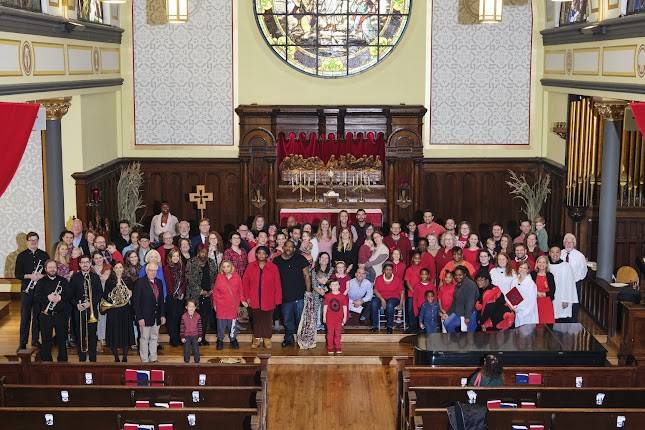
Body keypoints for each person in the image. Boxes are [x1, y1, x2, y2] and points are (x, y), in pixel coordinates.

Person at [242, 246, 282, 349]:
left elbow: (277, 284)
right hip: (254, 298)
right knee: (256, 320)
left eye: (263, 253)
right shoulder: (250, 266)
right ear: (256, 254)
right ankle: (256, 338)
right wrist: (246, 297)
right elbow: (245, 283)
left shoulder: (273, 267)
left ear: (267, 255)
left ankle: (267, 338)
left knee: (268, 320)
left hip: (269, 298)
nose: (261, 255)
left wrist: (278, 298)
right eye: (259, 253)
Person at [274, 241, 312, 347]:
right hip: (284, 296)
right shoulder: (276, 261)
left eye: (291, 247)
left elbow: (306, 275)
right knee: (287, 320)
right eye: (287, 246)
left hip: (299, 295)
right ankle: (289, 339)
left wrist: (308, 292)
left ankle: (301, 339)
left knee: (300, 319)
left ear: (294, 249)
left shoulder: (300, 259)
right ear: (283, 246)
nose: (289, 248)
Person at [35, 260, 71, 362]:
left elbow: (69, 295)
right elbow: (37, 298)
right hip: (46, 315)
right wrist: (48, 297)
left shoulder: (63, 281)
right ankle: (47, 362)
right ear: (45, 269)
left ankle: (63, 361)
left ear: (57, 268)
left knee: (62, 340)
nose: (52, 269)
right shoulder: (41, 282)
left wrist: (60, 297)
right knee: (46, 341)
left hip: (60, 315)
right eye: (50, 267)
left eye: (54, 267)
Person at [70, 255, 101, 362]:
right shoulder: (75, 277)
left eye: (87, 262)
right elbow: (70, 295)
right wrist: (76, 304)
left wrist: (90, 303)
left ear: (90, 263)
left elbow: (99, 294)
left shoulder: (95, 277)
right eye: (82, 262)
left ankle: (93, 358)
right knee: (80, 334)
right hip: (79, 310)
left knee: (92, 334)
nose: (85, 264)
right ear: (79, 264)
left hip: (91, 310)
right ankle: (82, 357)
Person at [102, 261, 134, 362]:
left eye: (120, 267)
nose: (119, 269)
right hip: (113, 310)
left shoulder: (128, 280)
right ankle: (116, 356)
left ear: (123, 269)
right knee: (114, 333)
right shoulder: (110, 281)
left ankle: (125, 356)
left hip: (125, 310)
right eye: (117, 267)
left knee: (125, 333)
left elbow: (132, 295)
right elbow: (107, 296)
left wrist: (130, 292)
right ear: (114, 269)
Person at [133, 263, 166, 363]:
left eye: (155, 270)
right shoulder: (140, 282)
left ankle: (153, 358)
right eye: (151, 270)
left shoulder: (159, 282)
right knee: (144, 338)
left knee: (154, 338)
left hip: (156, 316)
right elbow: (136, 302)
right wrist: (139, 317)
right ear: (146, 271)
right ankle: (145, 360)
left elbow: (161, 301)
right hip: (144, 317)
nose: (153, 272)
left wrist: (162, 315)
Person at [185, 245, 217, 345]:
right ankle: (194, 339)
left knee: (205, 318)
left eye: (205, 252)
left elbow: (215, 277)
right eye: (201, 252)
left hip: (208, 295)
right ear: (198, 252)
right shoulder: (191, 262)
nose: (203, 254)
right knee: (194, 319)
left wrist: (211, 290)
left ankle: (202, 338)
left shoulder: (211, 262)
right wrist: (200, 291)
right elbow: (189, 279)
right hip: (195, 295)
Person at [212, 260, 242, 350]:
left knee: (232, 325)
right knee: (220, 325)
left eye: (227, 266)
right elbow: (215, 292)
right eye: (223, 266)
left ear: (231, 266)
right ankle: (220, 340)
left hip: (232, 305)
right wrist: (215, 304)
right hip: (221, 305)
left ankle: (233, 339)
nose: (225, 268)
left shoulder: (237, 277)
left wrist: (243, 300)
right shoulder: (219, 277)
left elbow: (241, 290)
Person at [370, 262, 404, 333]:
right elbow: (375, 290)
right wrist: (382, 299)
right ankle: (375, 326)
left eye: (390, 269)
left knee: (390, 304)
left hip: (394, 298)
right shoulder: (379, 278)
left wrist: (401, 304)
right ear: (383, 270)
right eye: (387, 269)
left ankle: (389, 327)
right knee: (374, 303)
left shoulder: (397, 279)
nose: (388, 271)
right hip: (381, 297)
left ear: (392, 271)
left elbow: (402, 292)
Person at [561, 233, 588, 322]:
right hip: (562, 283)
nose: (568, 244)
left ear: (574, 244)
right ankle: (562, 321)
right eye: (566, 242)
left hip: (575, 283)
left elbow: (584, 271)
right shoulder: (560, 253)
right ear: (564, 243)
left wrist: (577, 280)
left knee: (574, 304)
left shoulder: (580, 256)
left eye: (571, 242)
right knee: (562, 302)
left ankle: (573, 322)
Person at [443, 266, 478, 333]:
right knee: (447, 323)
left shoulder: (470, 284)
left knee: (470, 336)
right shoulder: (458, 284)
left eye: (460, 275)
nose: (457, 277)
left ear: (464, 274)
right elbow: (455, 302)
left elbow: (470, 302)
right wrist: (448, 313)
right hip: (459, 312)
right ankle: (455, 342)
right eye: (456, 275)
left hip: (469, 314)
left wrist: (467, 317)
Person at [548, 246, 579, 322]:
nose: (555, 254)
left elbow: (570, 285)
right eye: (552, 252)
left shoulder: (566, 266)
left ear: (560, 253)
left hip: (562, 299)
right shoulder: (547, 266)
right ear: (549, 253)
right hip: (550, 299)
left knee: (562, 322)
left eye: (557, 252)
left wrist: (567, 299)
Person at [163, 249, 186, 347]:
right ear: (170, 258)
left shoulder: (182, 267)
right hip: (171, 297)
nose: (175, 258)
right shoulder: (167, 268)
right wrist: (175, 294)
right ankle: (173, 339)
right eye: (174, 256)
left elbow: (184, 281)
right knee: (172, 319)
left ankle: (179, 338)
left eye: (177, 256)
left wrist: (182, 292)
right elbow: (168, 284)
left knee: (179, 318)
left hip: (180, 297)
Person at [509, 262, 538, 327]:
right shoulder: (514, 281)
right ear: (518, 269)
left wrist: (522, 310)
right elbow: (512, 297)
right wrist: (515, 308)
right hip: (518, 313)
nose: (522, 269)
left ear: (528, 270)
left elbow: (531, 301)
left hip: (528, 313)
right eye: (520, 267)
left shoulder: (531, 283)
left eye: (524, 268)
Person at [323, 280, 347, 355]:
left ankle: (338, 347)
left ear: (339, 286)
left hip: (339, 319)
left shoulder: (342, 296)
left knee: (338, 334)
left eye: (336, 284)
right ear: (330, 287)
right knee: (330, 334)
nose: (334, 286)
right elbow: (325, 307)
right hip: (329, 319)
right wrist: (324, 317)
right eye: (333, 285)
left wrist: (345, 317)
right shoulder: (327, 296)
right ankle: (330, 347)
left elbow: (345, 307)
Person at [531, 255, 556, 324]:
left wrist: (544, 294)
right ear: (537, 263)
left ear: (547, 264)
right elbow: (528, 288)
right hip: (534, 301)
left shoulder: (550, 275)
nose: (541, 264)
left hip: (546, 302)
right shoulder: (532, 274)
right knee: (536, 323)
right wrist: (536, 293)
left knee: (547, 322)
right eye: (540, 262)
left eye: (544, 262)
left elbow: (553, 290)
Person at [311, 252, 332, 330]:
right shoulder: (314, 270)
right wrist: (320, 292)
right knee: (317, 305)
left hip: (328, 292)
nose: (324, 259)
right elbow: (314, 284)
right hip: (317, 292)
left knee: (327, 307)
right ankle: (317, 324)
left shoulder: (331, 269)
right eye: (322, 257)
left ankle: (325, 324)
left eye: (326, 258)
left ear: (328, 260)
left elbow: (327, 281)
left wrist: (324, 292)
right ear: (319, 259)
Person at [180, 299, 202, 363]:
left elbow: (200, 326)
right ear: (186, 307)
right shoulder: (183, 316)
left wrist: (200, 336)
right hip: (186, 335)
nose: (191, 308)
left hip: (195, 335)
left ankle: (197, 361)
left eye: (193, 307)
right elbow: (182, 327)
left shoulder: (198, 316)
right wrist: (182, 337)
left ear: (195, 308)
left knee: (196, 349)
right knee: (186, 349)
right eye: (190, 306)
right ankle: (186, 361)